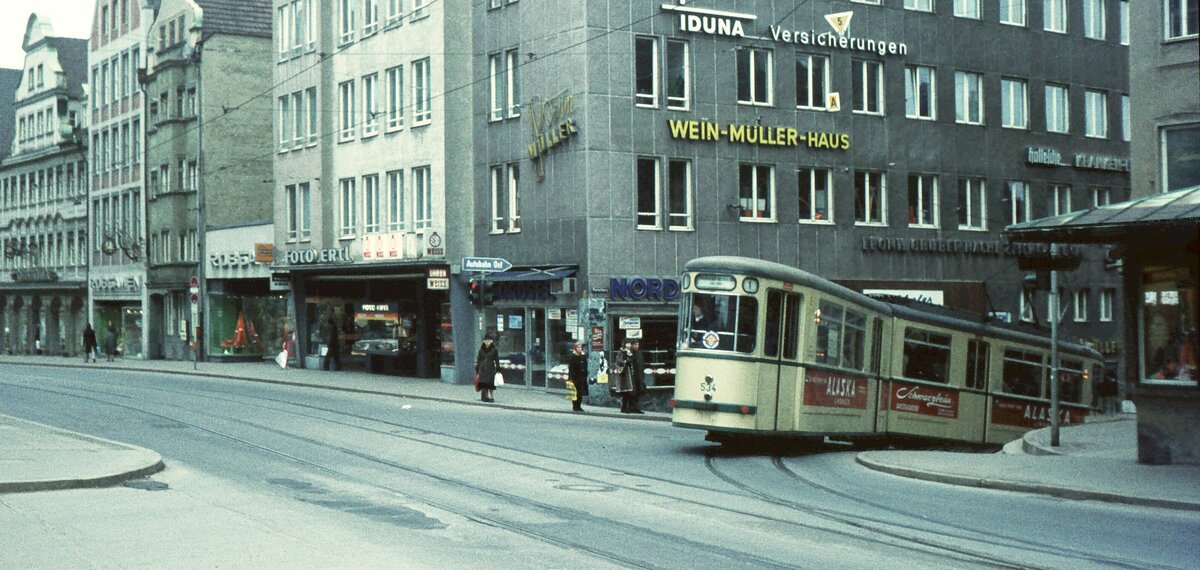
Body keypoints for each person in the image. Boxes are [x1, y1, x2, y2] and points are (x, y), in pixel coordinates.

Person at [613, 340, 637, 413]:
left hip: (629, 373)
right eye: (627, 343)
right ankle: (624, 407)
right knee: (625, 391)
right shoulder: (621, 352)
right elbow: (618, 361)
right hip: (624, 374)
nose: (629, 345)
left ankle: (626, 407)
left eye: (630, 343)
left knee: (629, 391)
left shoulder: (630, 352)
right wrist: (625, 362)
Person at [475, 335, 500, 403]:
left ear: (491, 341)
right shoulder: (481, 350)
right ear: (484, 341)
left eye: (489, 340)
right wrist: (477, 369)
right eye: (486, 340)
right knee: (483, 383)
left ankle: (491, 397)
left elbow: (497, 360)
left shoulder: (494, 350)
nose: (487, 342)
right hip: (482, 369)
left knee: (490, 384)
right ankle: (484, 397)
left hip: (490, 369)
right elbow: (479, 360)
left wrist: (498, 369)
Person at [568, 342, 588, 412]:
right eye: (578, 347)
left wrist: (585, 374)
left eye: (580, 347)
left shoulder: (583, 355)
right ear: (575, 348)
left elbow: (585, 366)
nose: (580, 349)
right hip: (575, 377)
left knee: (580, 393)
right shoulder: (573, 356)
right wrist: (571, 378)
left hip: (582, 377)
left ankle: (579, 406)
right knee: (575, 392)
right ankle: (575, 406)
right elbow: (571, 368)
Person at [628, 340, 646, 413]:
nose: (637, 346)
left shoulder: (639, 353)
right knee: (632, 392)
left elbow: (641, 364)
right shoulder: (629, 353)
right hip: (632, 376)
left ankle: (636, 407)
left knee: (638, 391)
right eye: (635, 345)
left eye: (637, 345)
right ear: (632, 345)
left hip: (639, 376)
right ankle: (630, 407)